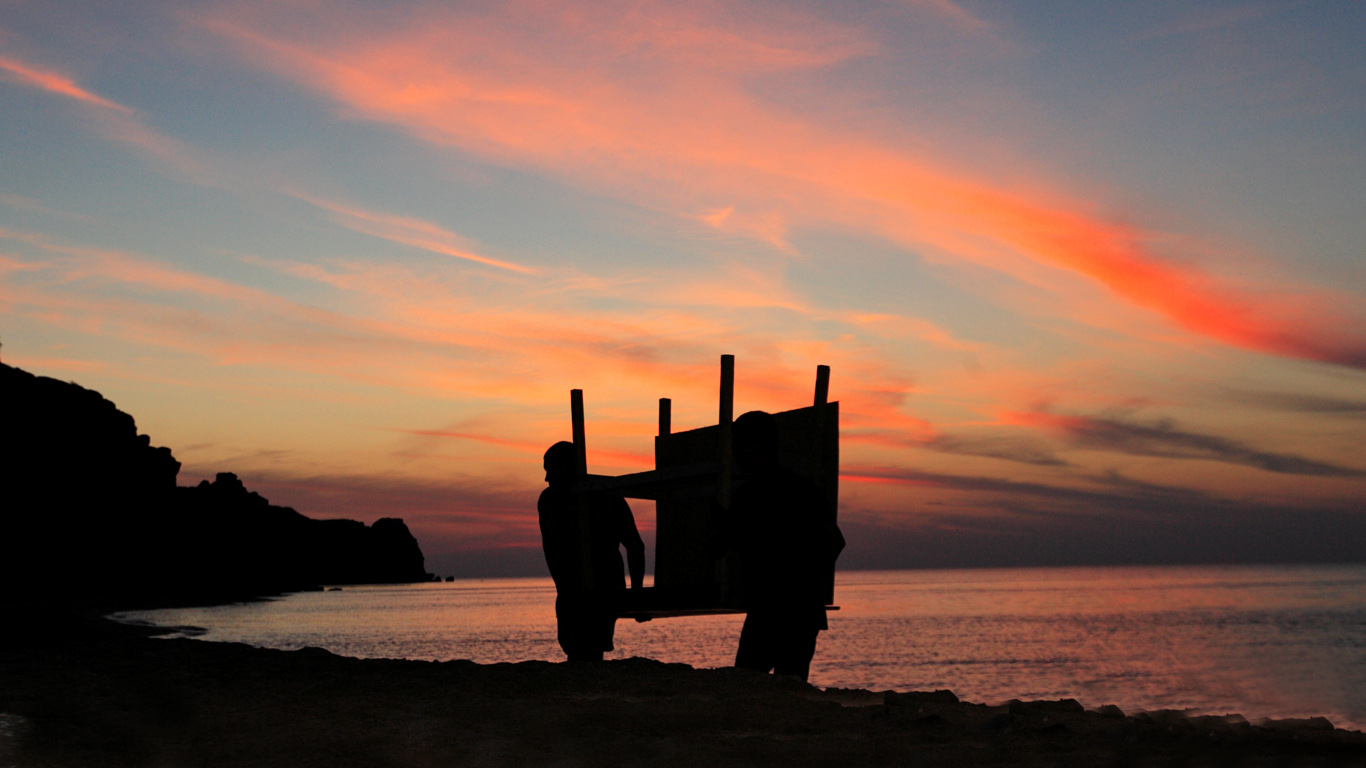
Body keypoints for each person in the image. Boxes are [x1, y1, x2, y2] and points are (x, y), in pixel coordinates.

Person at [727, 411, 844, 681]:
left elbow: (728, 544)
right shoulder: (803, 489)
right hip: (800, 611)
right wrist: (806, 580)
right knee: (789, 691)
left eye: (737, 444)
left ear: (753, 445)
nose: (734, 452)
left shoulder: (748, 496)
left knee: (746, 686)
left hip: (770, 611)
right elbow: (835, 542)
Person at [538, 441, 646, 661]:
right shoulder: (550, 500)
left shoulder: (605, 495)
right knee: (580, 648)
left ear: (566, 465)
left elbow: (635, 545)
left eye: (550, 469)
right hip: (573, 586)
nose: (547, 478)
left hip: (602, 585)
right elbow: (551, 550)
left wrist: (636, 596)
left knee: (587, 647)